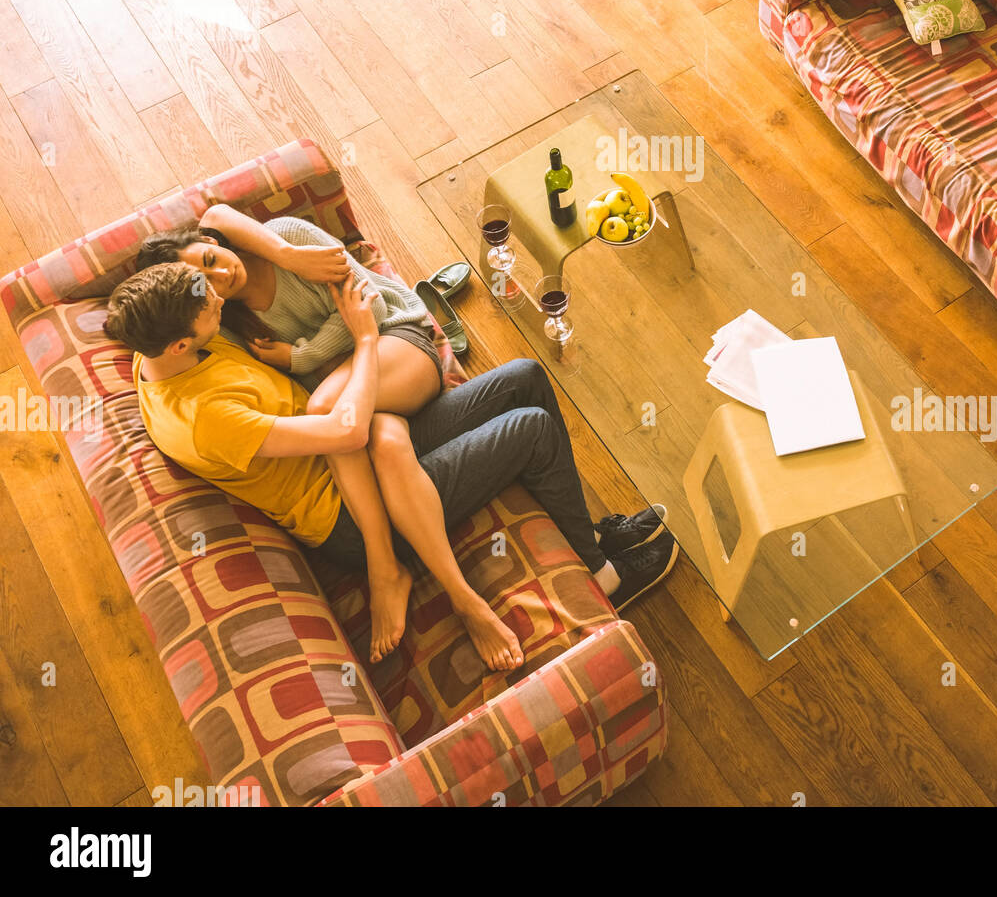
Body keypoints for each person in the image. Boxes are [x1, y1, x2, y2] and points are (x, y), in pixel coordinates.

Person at [105, 256, 677, 675]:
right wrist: (364, 340)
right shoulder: (202, 415)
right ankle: (606, 575)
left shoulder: (160, 345)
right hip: (348, 514)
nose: (218, 300)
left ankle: (586, 535)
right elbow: (342, 432)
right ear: (179, 344)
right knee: (530, 428)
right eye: (208, 307)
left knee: (523, 376)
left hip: (361, 452)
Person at [134, 206, 447, 664]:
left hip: (389, 342)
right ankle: (425, 583)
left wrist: (303, 346)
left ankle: (391, 570)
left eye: (209, 260)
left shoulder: (284, 239)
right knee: (384, 436)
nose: (222, 280)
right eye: (205, 289)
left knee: (333, 411)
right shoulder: (228, 325)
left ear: (211, 241)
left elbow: (372, 310)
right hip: (356, 396)